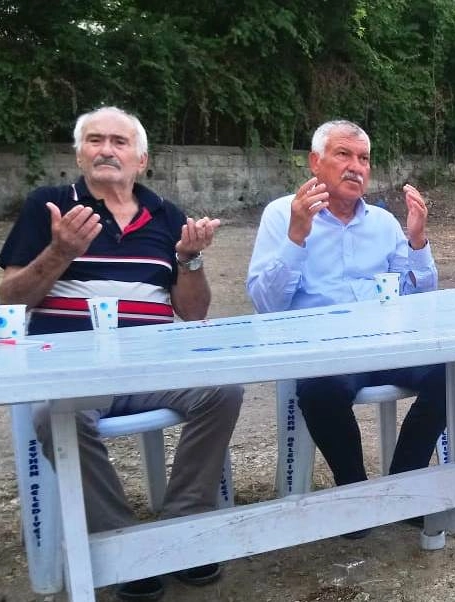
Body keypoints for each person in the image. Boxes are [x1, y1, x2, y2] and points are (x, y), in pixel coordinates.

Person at [0, 106, 244, 601]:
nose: (106, 150)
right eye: (95, 140)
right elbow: (9, 301)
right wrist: (60, 252)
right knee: (56, 416)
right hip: (72, 368)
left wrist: (189, 259)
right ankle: (123, 543)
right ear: (79, 154)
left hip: (151, 365)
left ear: (141, 159)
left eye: (119, 142)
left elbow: (192, 312)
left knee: (222, 390)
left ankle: (181, 527)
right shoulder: (50, 207)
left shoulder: (166, 214)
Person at [246, 120, 446, 536]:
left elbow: (420, 298)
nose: (356, 167)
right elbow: (267, 305)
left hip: (385, 344)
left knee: (453, 372)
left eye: (364, 158)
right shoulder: (282, 215)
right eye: (343, 155)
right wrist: (296, 238)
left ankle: (402, 486)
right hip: (323, 350)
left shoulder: (383, 223)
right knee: (321, 389)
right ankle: (355, 493)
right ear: (315, 162)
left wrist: (417, 241)